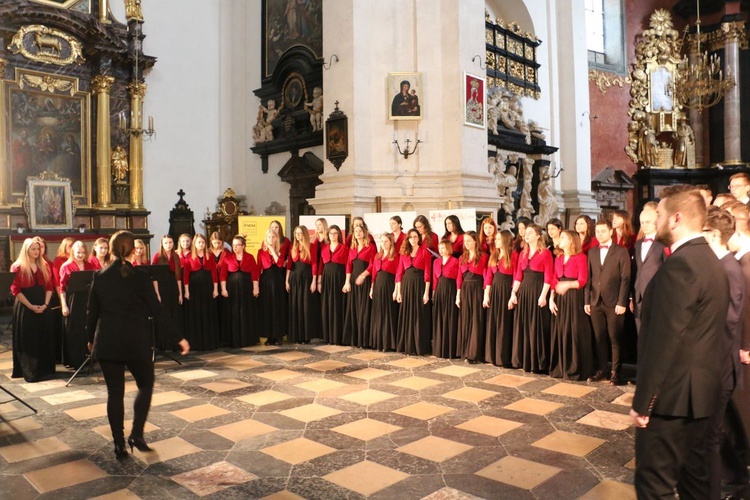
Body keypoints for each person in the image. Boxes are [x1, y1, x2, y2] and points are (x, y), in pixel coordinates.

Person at [630, 185, 729, 499]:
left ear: (675, 218)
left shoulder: (681, 265)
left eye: (658, 215)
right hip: (703, 395)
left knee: (653, 486)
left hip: (672, 401)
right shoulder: (712, 261)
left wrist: (643, 401)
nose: (654, 221)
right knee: (696, 486)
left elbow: (664, 341)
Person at [87, 230, 190, 460]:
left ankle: (118, 445)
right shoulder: (141, 277)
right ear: (134, 250)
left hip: (108, 341)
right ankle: (136, 435)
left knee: (115, 393)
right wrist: (178, 337)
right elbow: (157, 310)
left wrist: (90, 339)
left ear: (111, 250)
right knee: (145, 384)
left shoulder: (99, 276)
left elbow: (91, 312)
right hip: (135, 341)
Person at [701, 207, 746, 500]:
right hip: (716, 362)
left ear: (715, 235)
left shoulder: (729, 269)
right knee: (721, 430)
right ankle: (736, 480)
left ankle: (722, 487)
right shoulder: (722, 265)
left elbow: (729, 320)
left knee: (714, 434)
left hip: (719, 362)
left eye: (702, 233)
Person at [584, 219, 631, 386]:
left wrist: (622, 301)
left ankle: (615, 372)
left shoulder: (621, 251)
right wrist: (587, 300)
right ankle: (602, 370)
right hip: (596, 301)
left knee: (614, 338)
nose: (600, 234)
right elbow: (589, 278)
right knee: (599, 338)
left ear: (611, 232)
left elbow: (626, 278)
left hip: (614, 302)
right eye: (597, 232)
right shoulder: (592, 252)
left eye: (603, 231)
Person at [548, 230, 593, 381]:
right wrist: (551, 298)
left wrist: (566, 285)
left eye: (563, 237)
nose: (559, 239)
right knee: (560, 330)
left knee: (573, 330)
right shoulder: (559, 258)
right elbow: (554, 279)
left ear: (572, 241)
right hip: (560, 298)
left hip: (574, 298)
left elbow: (582, 280)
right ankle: (561, 366)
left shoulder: (581, 258)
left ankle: (574, 367)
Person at [509, 224, 553, 372]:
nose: (526, 235)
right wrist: (513, 293)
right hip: (524, 291)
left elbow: (548, 276)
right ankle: (523, 359)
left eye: (529, 232)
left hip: (537, 290)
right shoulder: (523, 253)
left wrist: (543, 296)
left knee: (536, 325)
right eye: (525, 233)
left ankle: (537, 362)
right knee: (524, 325)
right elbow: (518, 276)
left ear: (538, 235)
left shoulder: (545, 253)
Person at [10, 238, 55, 383]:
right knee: (28, 338)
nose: (36, 252)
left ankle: (45, 370)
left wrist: (45, 304)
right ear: (26, 250)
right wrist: (30, 306)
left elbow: (49, 287)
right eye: (33, 249)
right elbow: (15, 290)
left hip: (43, 305)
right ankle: (30, 371)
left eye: (38, 249)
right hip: (25, 307)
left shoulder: (44, 265)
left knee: (44, 336)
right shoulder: (17, 267)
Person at [59, 241, 95, 368]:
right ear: (72, 252)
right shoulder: (66, 266)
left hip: (88, 299)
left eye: (83, 252)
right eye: (78, 252)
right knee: (74, 330)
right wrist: (64, 305)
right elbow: (62, 288)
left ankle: (89, 357)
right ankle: (75, 359)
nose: (80, 255)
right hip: (73, 300)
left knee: (88, 328)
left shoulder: (90, 265)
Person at [396, 228, 432, 355]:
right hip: (406, 286)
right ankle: (407, 345)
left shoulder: (425, 252)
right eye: (411, 237)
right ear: (407, 239)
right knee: (407, 314)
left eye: (415, 237)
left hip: (419, 286)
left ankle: (419, 346)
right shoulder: (403, 252)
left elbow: (427, 274)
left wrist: (426, 292)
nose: (413, 239)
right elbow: (399, 273)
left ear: (419, 238)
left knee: (419, 315)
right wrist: (399, 292)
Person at [630, 205, 667, 332]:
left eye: (647, 222)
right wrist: (631, 297)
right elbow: (634, 271)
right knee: (640, 333)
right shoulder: (637, 244)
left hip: (657, 295)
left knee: (655, 333)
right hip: (638, 296)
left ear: (656, 223)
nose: (644, 225)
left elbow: (667, 270)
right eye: (642, 223)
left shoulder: (663, 243)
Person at [483, 230, 516, 367]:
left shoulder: (514, 255)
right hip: (495, 291)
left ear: (505, 240)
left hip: (506, 290)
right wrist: (486, 294)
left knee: (504, 322)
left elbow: (516, 276)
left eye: (498, 239)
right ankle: (492, 355)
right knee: (494, 321)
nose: (495, 241)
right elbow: (489, 277)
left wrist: (513, 295)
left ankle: (503, 356)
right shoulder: (494, 255)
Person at [220, 235, 260, 347]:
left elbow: (254, 274)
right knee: (234, 312)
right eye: (233, 245)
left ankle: (247, 338)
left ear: (243, 246)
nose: (235, 247)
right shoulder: (227, 258)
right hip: (232, 288)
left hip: (246, 288)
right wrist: (223, 289)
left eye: (237, 245)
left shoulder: (250, 257)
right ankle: (234, 339)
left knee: (246, 311)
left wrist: (255, 288)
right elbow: (223, 275)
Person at [182, 234, 219, 351]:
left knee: (208, 313)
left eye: (203, 242)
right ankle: (197, 342)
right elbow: (186, 276)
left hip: (208, 288)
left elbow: (214, 273)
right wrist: (187, 291)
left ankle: (209, 342)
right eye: (199, 242)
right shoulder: (189, 257)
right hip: (194, 289)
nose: (201, 244)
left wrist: (215, 289)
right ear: (194, 243)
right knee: (196, 313)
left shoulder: (210, 256)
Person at [456, 231, 488, 363]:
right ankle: (465, 351)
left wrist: (486, 293)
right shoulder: (462, 257)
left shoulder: (484, 257)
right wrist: (458, 295)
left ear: (475, 241)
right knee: (466, 320)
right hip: (465, 289)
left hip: (477, 289)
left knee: (476, 320)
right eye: (465, 241)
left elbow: (486, 277)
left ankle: (474, 354)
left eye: (469, 240)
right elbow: (459, 277)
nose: (466, 243)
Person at [343, 224, 376, 347]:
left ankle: (365, 340)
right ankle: (355, 339)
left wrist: (363, 276)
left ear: (364, 233)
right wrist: (347, 282)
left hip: (365, 280)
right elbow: (348, 266)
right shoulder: (352, 248)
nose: (357, 233)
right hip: (353, 281)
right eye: (355, 231)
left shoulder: (370, 247)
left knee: (364, 309)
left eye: (360, 231)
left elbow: (373, 265)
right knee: (354, 308)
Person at [286, 225, 321, 343]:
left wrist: (314, 281)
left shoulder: (312, 246)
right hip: (294, 279)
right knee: (295, 306)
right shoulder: (293, 246)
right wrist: (286, 280)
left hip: (307, 278)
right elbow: (289, 265)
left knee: (306, 306)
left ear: (305, 234)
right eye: (296, 233)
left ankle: (306, 336)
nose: (298, 235)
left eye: (300, 233)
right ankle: (296, 335)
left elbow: (314, 264)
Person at [151, 234, 183, 349]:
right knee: (164, 314)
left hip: (173, 287)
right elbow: (154, 278)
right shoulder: (157, 257)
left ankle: (174, 344)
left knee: (174, 314)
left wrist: (180, 293)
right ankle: (163, 344)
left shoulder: (176, 256)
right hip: (162, 287)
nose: (168, 245)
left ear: (173, 243)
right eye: (166, 243)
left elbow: (178, 276)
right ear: (162, 244)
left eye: (170, 242)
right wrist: (157, 293)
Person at [369, 233, 400, 352]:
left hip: (389, 286)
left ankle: (388, 343)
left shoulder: (395, 256)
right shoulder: (378, 255)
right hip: (378, 286)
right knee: (378, 313)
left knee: (388, 313)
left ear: (391, 242)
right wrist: (372, 288)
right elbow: (374, 274)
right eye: (382, 241)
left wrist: (396, 290)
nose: (384, 243)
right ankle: (378, 342)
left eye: (386, 241)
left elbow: (398, 274)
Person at [257, 229, 288, 345]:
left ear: (276, 239)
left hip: (277, 280)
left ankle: (277, 335)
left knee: (277, 306)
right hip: (265, 281)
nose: (271, 239)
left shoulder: (281, 250)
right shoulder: (260, 252)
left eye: (273, 237)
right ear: (266, 238)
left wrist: (272, 250)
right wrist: (257, 285)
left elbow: (279, 264)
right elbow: (258, 267)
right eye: (269, 237)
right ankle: (269, 336)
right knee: (267, 307)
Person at [432, 239, 459, 358]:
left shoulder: (455, 261)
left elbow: (458, 278)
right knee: (439, 317)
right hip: (439, 291)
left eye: (443, 247)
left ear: (449, 248)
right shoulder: (436, 262)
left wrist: (458, 293)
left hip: (450, 290)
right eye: (440, 248)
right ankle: (439, 348)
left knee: (450, 317)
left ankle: (450, 349)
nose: (441, 250)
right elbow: (435, 279)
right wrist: (433, 292)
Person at [320, 225, 347, 345]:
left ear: (339, 235)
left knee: (338, 305)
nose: (333, 236)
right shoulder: (324, 248)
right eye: (331, 233)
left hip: (339, 278)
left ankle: (338, 336)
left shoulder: (344, 248)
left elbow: (348, 266)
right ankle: (328, 336)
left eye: (335, 233)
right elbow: (321, 266)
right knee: (327, 305)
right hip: (326, 278)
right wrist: (319, 281)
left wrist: (347, 281)